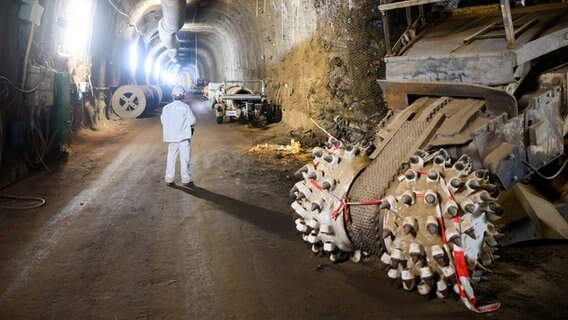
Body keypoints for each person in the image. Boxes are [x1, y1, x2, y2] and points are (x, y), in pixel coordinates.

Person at [160, 85, 197, 187]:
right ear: (183, 95)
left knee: (171, 158)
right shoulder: (185, 107)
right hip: (183, 138)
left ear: (172, 95)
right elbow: (192, 121)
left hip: (171, 138)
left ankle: (169, 178)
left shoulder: (166, 108)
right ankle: (186, 180)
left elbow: (163, 121)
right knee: (185, 158)